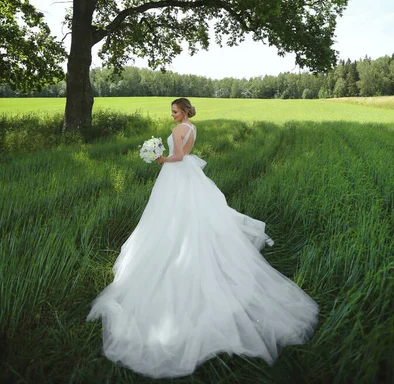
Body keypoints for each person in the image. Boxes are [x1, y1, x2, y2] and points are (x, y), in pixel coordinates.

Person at [86, 97, 318, 379]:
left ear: (183, 111)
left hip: (176, 175)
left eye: (175, 111)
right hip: (188, 179)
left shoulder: (176, 131)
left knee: (170, 215)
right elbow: (187, 153)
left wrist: (160, 158)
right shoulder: (192, 128)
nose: (171, 115)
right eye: (171, 111)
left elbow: (180, 157)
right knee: (192, 214)